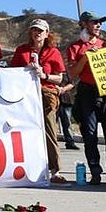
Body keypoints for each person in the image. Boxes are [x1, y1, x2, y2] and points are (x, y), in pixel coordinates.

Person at [66, 11, 106, 186]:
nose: (98, 25)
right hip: (88, 92)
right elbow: (72, 73)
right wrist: (85, 58)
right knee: (90, 135)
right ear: (84, 24)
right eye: (94, 22)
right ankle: (95, 172)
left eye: (100, 22)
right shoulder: (75, 47)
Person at [11, 19, 69, 185]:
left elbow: (60, 78)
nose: (37, 33)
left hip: (46, 95)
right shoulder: (21, 50)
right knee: (24, 131)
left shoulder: (53, 52)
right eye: (34, 30)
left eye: (41, 31)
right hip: (25, 96)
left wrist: (44, 75)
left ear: (47, 33)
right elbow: (12, 71)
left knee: (49, 131)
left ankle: (55, 170)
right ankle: (26, 167)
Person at [57, 77, 80, 150]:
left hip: (66, 99)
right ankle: (52, 142)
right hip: (53, 97)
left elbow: (73, 82)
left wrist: (64, 89)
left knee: (67, 122)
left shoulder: (69, 68)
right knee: (52, 122)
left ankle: (70, 142)